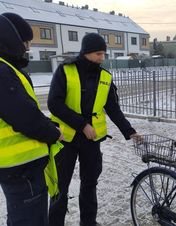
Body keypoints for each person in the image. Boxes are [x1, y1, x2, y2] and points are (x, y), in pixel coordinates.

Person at [48, 33, 140, 226]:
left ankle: (88, 222)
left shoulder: (105, 77)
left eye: (103, 54)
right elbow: (54, 103)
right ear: (86, 52)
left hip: (91, 142)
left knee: (90, 184)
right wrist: (82, 124)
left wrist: (129, 131)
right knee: (60, 188)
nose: (102, 58)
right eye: (98, 54)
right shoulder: (66, 70)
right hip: (65, 139)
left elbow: (113, 108)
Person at [0, 13, 63, 226]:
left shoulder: (8, 69)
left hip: (16, 169)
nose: (28, 48)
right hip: (21, 169)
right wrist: (54, 133)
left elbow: (21, 111)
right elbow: (25, 117)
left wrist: (47, 125)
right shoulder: (3, 71)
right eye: (25, 42)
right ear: (11, 39)